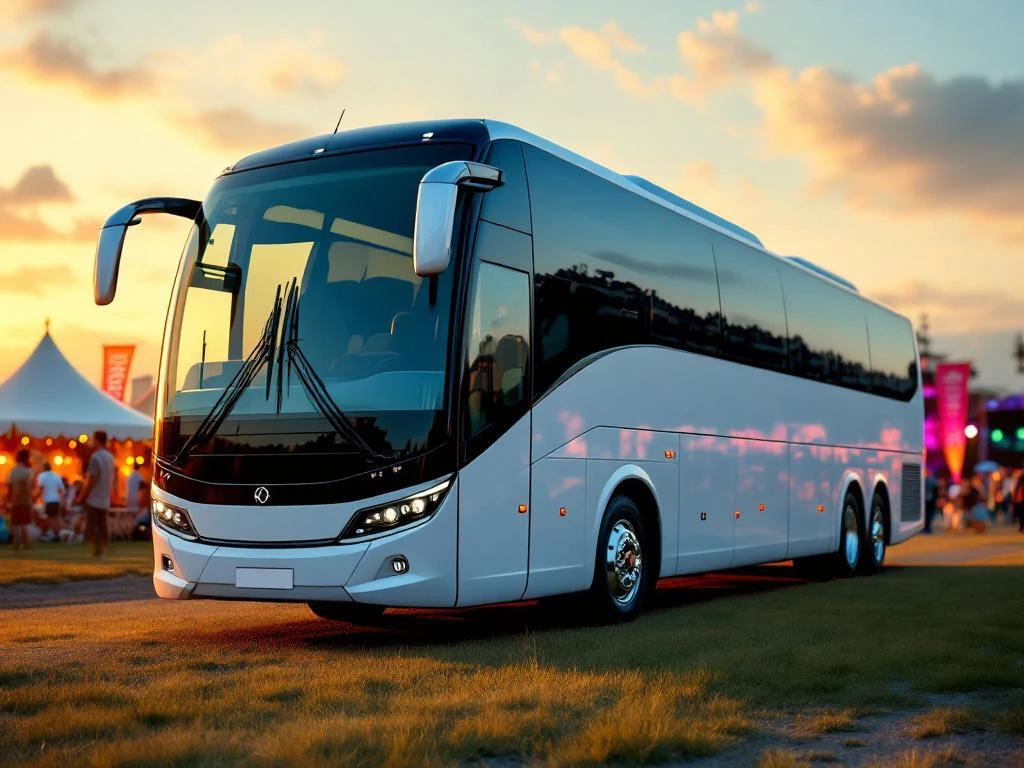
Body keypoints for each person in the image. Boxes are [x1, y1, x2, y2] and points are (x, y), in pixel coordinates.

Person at [76, 430, 115, 559]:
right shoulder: (110, 457)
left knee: (92, 527)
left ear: (97, 440)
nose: (91, 441)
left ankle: (98, 552)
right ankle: (105, 550)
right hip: (105, 496)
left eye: (93, 439)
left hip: (94, 497)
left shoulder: (95, 457)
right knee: (103, 526)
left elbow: (91, 479)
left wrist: (82, 496)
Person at [5, 448, 35, 551]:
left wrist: (8, 500)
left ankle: (16, 543)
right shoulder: (28, 471)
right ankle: (26, 543)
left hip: (14, 500)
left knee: (15, 523)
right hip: (25, 500)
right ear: (26, 458)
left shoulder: (13, 471)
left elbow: (9, 486)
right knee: (24, 523)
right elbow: (28, 487)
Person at [35, 461, 65, 540]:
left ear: (43, 468)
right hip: (56, 500)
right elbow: (61, 490)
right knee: (56, 517)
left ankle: (51, 534)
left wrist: (35, 498)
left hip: (48, 500)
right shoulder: (57, 475)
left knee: (49, 518)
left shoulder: (41, 476)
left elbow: (40, 489)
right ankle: (57, 534)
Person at [923, 469, 937, 533]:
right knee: (928, 515)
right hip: (929, 500)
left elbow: (935, 491)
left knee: (927, 515)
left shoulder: (925, 480)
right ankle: (927, 528)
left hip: (927, 500)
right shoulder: (933, 480)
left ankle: (926, 528)